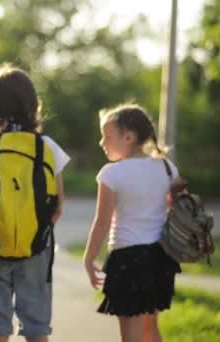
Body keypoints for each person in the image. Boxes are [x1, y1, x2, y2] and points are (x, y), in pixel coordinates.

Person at [0, 63, 70, 342]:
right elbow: (58, 204)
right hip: (36, 246)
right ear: (33, 105)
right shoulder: (47, 146)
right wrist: (35, 228)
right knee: (36, 323)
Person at [83, 103, 182, 342]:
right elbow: (175, 209)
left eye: (107, 136)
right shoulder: (168, 167)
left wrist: (89, 258)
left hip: (127, 259)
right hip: (160, 258)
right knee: (151, 328)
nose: (101, 142)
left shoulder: (111, 173)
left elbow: (102, 222)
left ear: (128, 137)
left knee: (131, 334)